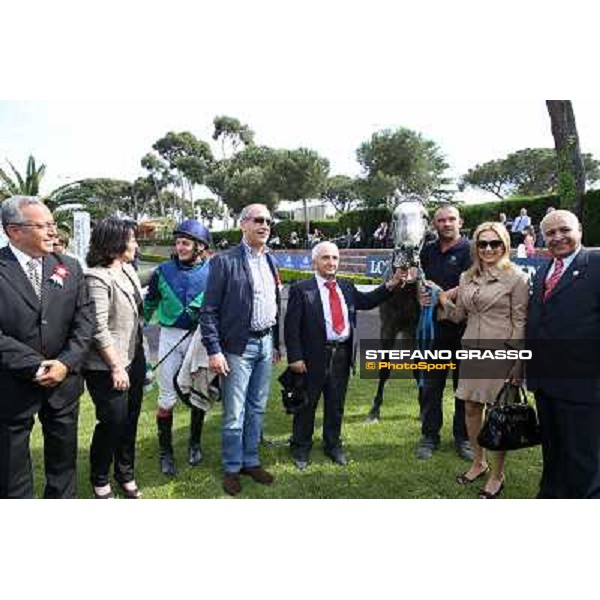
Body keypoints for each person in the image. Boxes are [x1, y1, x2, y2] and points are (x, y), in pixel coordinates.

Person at [284, 241, 409, 470]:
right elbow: (291, 327)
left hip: (342, 355)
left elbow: (369, 300)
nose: (331, 262)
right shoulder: (302, 289)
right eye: (326, 258)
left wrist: (391, 284)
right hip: (312, 357)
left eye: (335, 258)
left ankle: (333, 445)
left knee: (336, 404)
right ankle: (301, 447)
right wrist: (295, 357)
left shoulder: (347, 286)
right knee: (307, 405)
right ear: (314, 262)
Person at [0, 196, 94, 498]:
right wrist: (35, 365)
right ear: (14, 231)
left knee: (63, 467)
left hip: (63, 387)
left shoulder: (70, 267)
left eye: (53, 224)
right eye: (44, 226)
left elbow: (85, 322)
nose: (53, 232)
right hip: (12, 387)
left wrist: (65, 363)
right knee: (11, 473)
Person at [435, 222, 528, 498]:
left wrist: (517, 361)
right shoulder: (467, 277)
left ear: (504, 246)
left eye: (494, 243)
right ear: (476, 247)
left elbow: (521, 321)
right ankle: (479, 461)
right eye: (482, 243)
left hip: (502, 352)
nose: (488, 249)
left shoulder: (517, 278)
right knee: (471, 409)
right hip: (471, 350)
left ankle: (498, 475)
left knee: (499, 415)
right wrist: (442, 300)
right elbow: (460, 315)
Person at [200, 203, 281, 496]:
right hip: (237, 346)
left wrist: (276, 342)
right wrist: (214, 350)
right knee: (234, 412)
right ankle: (232, 467)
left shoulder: (270, 260)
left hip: (265, 342)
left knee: (257, 408)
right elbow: (208, 311)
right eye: (258, 220)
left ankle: (251, 460)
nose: (265, 225)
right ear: (243, 224)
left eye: (269, 221)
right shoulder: (224, 261)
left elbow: (275, 302)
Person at [526, 209, 600, 498]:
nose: (558, 237)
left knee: (584, 459)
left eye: (564, 230)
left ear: (579, 229)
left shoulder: (596, 262)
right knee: (553, 449)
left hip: (584, 385)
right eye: (550, 233)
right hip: (545, 382)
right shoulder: (545, 268)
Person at [83, 218, 146, 499]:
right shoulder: (96, 277)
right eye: (131, 239)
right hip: (107, 366)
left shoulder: (128, 270)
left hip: (135, 357)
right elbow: (98, 328)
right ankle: (99, 476)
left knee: (130, 418)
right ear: (114, 244)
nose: (135, 244)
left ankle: (125, 472)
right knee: (113, 420)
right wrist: (116, 366)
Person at [144, 219, 212, 476]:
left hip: (199, 339)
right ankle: (166, 452)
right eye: (178, 242)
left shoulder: (212, 272)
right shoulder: (162, 271)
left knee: (198, 391)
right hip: (169, 337)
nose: (180, 247)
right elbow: (149, 304)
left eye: (185, 243)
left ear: (200, 246)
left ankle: (195, 444)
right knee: (166, 398)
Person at [417, 205, 472, 461]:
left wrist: (442, 295)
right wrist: (420, 292)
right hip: (435, 332)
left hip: (465, 330)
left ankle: (464, 438)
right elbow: (421, 280)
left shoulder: (473, 249)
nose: (446, 224)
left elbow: (475, 283)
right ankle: (429, 436)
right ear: (434, 224)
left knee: (463, 389)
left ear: (460, 222)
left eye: (451, 219)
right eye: (441, 220)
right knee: (431, 387)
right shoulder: (427, 251)